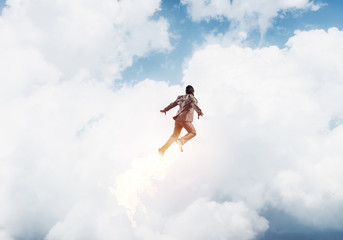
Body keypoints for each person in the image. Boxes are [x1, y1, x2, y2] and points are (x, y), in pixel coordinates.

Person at [159, 85, 204, 157]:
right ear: (192, 91)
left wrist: (165, 109)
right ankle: (181, 141)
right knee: (193, 132)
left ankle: (162, 149)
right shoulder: (191, 97)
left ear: (186, 91)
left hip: (177, 119)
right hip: (185, 119)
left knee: (174, 135)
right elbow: (194, 104)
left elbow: (172, 104)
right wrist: (199, 111)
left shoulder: (180, 98)